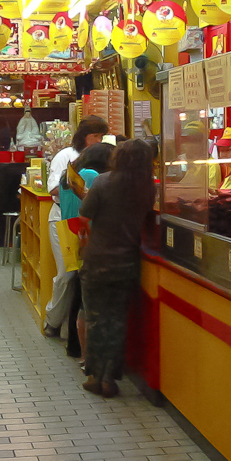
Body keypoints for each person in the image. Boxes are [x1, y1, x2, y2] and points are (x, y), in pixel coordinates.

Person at [78, 139, 156, 397]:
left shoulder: (102, 182)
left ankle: (95, 376)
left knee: (96, 319)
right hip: (128, 261)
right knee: (118, 320)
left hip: (99, 259)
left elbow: (84, 216)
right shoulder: (147, 188)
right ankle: (110, 378)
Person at [44, 115, 109, 338]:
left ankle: (68, 328)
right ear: (84, 136)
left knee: (82, 276)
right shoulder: (66, 156)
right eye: (95, 136)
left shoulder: (101, 157)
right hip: (63, 218)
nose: (99, 140)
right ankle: (52, 319)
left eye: (102, 136)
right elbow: (52, 189)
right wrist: (80, 189)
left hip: (89, 223)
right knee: (67, 273)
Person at [57, 142, 115, 359]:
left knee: (77, 288)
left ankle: (73, 344)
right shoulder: (91, 175)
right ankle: (77, 346)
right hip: (87, 236)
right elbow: (93, 206)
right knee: (83, 296)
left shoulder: (70, 175)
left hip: (71, 234)